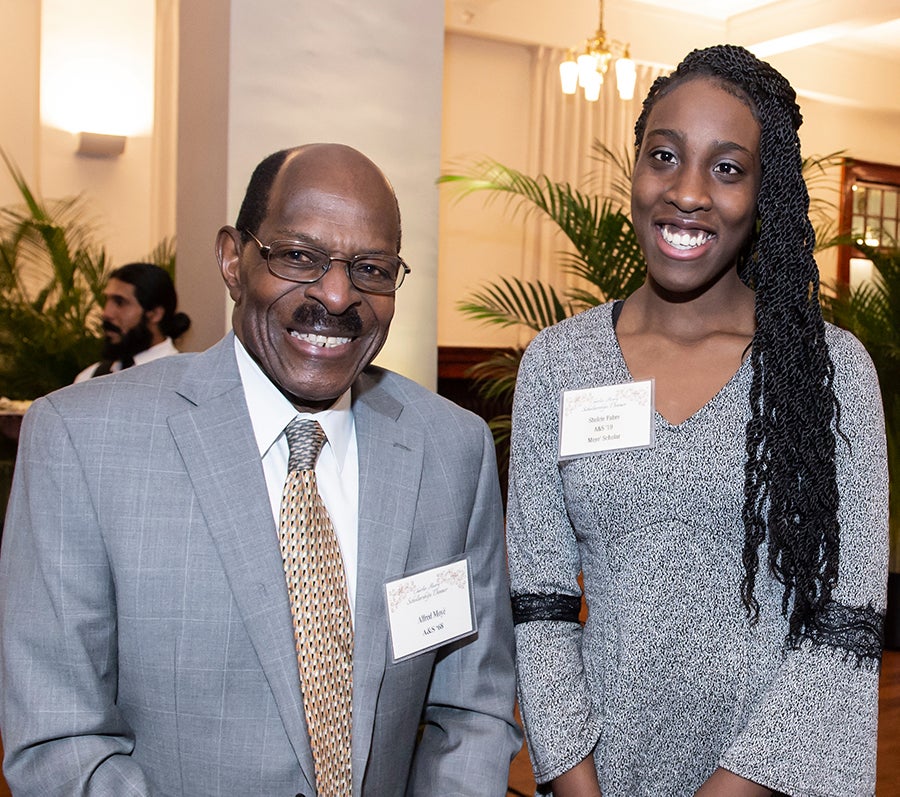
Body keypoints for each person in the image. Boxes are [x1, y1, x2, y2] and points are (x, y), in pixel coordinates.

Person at [0, 143, 521, 795]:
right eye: (298, 256)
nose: (336, 294)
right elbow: (61, 738)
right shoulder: (81, 439)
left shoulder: (452, 448)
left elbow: (470, 708)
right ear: (232, 259)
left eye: (371, 267)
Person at [506, 45, 888, 797]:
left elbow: (848, 618)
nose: (686, 192)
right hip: (603, 772)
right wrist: (577, 784)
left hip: (773, 777)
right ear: (636, 168)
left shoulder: (831, 373)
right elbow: (539, 600)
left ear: (765, 190)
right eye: (665, 155)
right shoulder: (558, 363)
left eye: (726, 167)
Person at [74, 261, 191, 382]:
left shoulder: (187, 379)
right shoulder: (88, 379)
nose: (106, 313)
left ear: (155, 314)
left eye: (120, 302)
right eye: (107, 300)